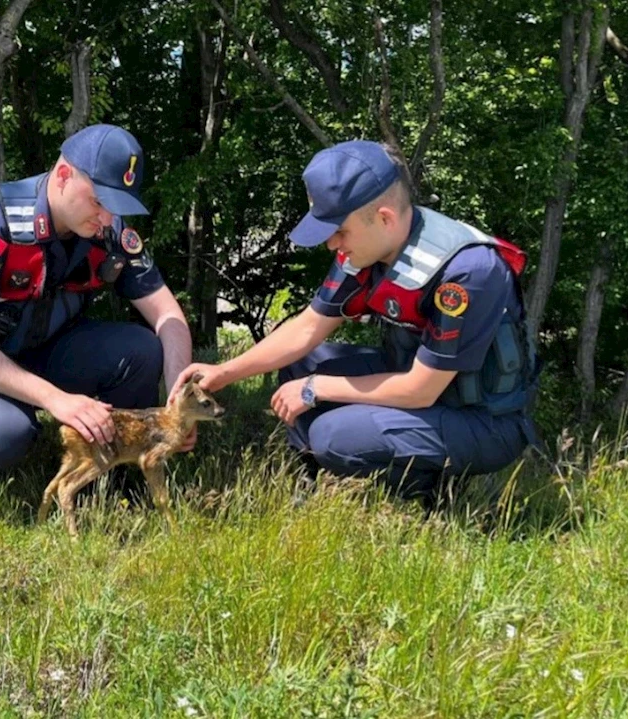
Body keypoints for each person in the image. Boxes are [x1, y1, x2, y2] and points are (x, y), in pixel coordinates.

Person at [170, 140, 539, 502]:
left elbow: (420, 390)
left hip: (480, 419)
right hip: (415, 381)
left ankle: (428, 497)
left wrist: (315, 388)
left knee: (334, 435)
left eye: (340, 231)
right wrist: (225, 371)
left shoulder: (467, 272)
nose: (332, 245)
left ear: (384, 218)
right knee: (299, 364)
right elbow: (307, 328)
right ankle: (312, 480)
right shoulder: (367, 249)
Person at [0, 124, 195, 480]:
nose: (108, 217)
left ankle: (113, 477)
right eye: (99, 201)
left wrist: (178, 398)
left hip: (46, 347)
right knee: (4, 433)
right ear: (63, 176)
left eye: (117, 206)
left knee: (143, 349)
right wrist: (56, 400)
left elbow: (168, 315)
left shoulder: (108, 230)